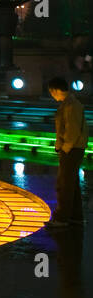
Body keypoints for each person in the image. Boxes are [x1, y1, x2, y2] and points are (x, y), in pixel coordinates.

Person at [49, 77, 88, 225]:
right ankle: (75, 216)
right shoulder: (69, 104)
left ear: (56, 90)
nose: (52, 95)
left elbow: (72, 130)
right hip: (73, 147)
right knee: (72, 183)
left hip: (72, 149)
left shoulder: (71, 106)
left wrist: (64, 148)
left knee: (64, 184)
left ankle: (62, 218)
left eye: (51, 92)